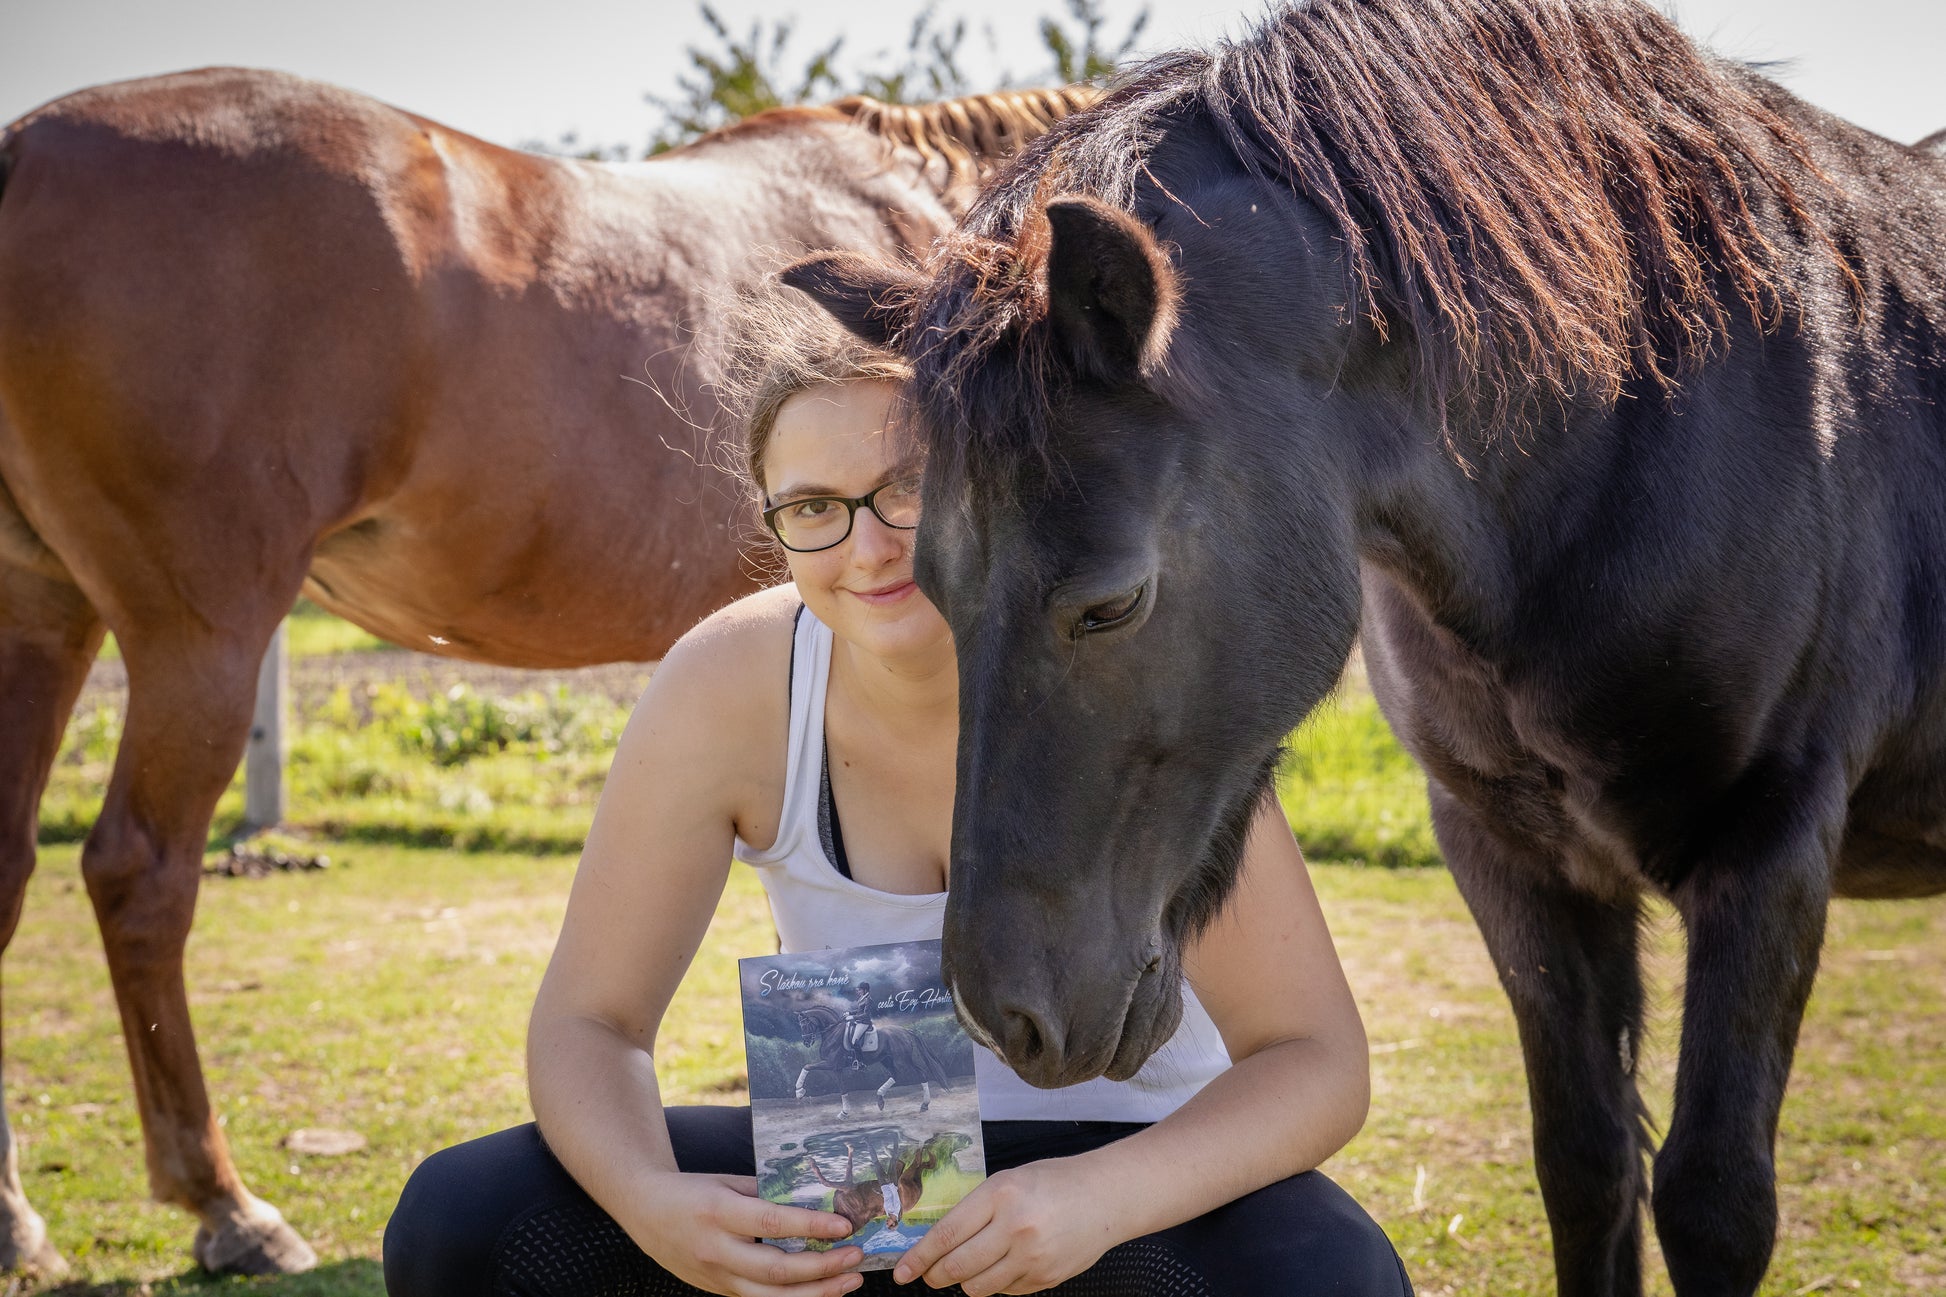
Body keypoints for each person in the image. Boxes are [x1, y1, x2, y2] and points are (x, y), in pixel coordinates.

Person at [383, 296, 1412, 1297]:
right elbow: (589, 1021)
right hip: (854, 1198)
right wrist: (653, 1203)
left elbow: (1314, 1059)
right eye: (812, 509)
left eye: (908, 487)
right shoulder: (729, 684)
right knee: (464, 1216)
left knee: (1327, 1267)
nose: (866, 547)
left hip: (1121, 1197)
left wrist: (1096, 1198)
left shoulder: (1128, 679)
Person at [844, 983, 876, 1067]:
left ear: (865, 990)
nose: (858, 991)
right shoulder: (862, 998)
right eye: (858, 990)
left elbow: (865, 1014)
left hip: (864, 1022)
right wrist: (849, 1013)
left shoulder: (868, 1000)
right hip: (859, 1021)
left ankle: (861, 1062)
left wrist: (852, 1017)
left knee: (854, 1041)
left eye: (860, 990)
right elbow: (859, 1011)